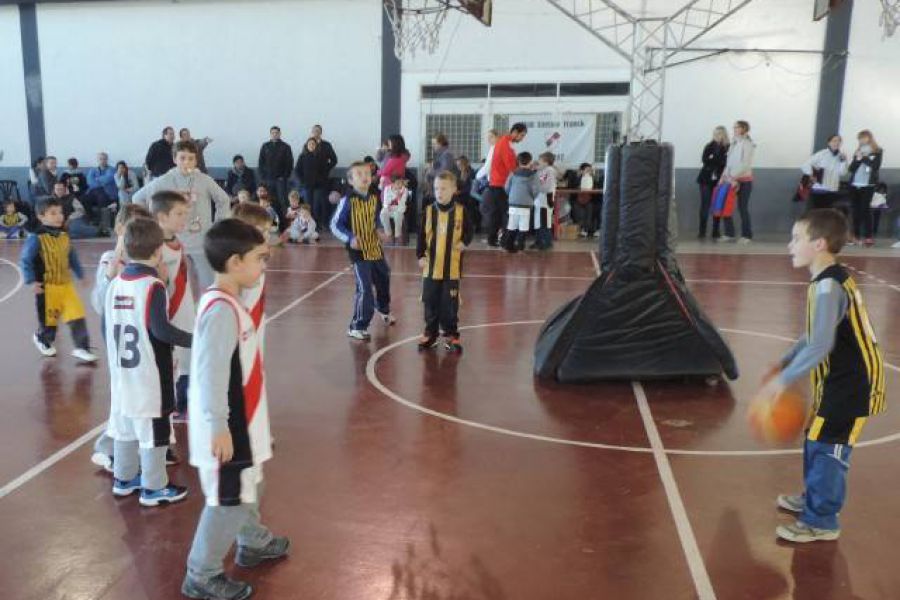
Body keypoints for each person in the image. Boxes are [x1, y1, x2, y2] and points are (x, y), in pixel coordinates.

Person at [760, 209, 885, 543]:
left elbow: (820, 345)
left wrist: (782, 382)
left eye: (796, 239)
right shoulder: (825, 280)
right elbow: (816, 332)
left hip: (853, 384)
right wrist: (787, 359)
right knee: (816, 438)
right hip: (837, 380)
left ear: (819, 244)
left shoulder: (829, 286)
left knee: (829, 448)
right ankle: (813, 500)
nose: (789, 245)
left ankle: (822, 520)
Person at [182, 219, 289, 600]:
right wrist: (218, 426)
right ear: (234, 262)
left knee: (251, 484)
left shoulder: (230, 302)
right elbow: (211, 373)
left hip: (244, 420)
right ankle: (202, 572)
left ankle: (253, 540)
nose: (264, 266)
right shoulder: (220, 312)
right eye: (259, 258)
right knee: (228, 500)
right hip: (229, 428)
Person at [103, 217, 192, 507]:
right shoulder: (153, 285)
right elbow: (161, 330)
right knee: (155, 430)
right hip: (150, 374)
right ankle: (154, 487)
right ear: (157, 252)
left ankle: (124, 478)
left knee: (125, 426)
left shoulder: (115, 283)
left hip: (121, 373)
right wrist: (197, 339)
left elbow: (106, 327)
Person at [88, 203, 153, 473]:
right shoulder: (109, 259)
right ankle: (106, 447)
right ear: (119, 229)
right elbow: (99, 301)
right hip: (119, 339)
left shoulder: (145, 260)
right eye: (131, 228)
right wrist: (112, 267)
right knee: (124, 394)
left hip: (140, 336)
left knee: (140, 392)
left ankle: (138, 444)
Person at [133, 140, 233, 290]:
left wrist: (217, 227)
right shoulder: (164, 180)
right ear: (174, 159)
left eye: (191, 158)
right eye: (182, 158)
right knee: (173, 287)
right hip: (172, 243)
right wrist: (153, 225)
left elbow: (223, 200)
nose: (187, 162)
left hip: (201, 241)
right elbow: (137, 198)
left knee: (210, 286)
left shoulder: (204, 180)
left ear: (196, 160)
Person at [20, 197, 97, 363]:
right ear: (41, 216)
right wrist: (31, 281)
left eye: (60, 212)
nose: (58, 216)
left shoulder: (64, 236)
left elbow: (72, 257)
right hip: (47, 288)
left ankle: (81, 347)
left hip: (66, 286)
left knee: (76, 315)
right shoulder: (36, 238)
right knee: (50, 324)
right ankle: (42, 338)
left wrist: (80, 275)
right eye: (53, 213)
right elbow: (25, 259)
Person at [330, 161, 394, 340]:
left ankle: (382, 308)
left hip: (374, 245)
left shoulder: (374, 197)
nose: (365, 176)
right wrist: (350, 238)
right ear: (350, 181)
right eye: (359, 174)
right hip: (358, 251)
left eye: (367, 173)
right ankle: (357, 325)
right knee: (364, 287)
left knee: (384, 277)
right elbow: (335, 225)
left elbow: (375, 219)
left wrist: (380, 230)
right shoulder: (347, 200)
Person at [149, 191, 195, 418]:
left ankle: (184, 401)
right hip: (170, 312)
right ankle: (172, 403)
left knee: (187, 358)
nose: (184, 218)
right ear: (161, 217)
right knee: (173, 359)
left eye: (185, 213)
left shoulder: (176, 241)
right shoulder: (154, 248)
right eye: (179, 214)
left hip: (185, 307)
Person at [416, 170, 473, 353]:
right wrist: (420, 256)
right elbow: (421, 237)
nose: (439, 192)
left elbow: (470, 231)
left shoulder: (461, 212)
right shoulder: (428, 211)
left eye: (444, 189)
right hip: (431, 268)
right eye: (436, 188)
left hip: (452, 269)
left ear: (454, 190)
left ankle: (451, 335)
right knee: (430, 302)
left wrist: (464, 242)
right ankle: (430, 333)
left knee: (450, 304)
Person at [484, 123, 527, 246]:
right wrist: (525, 170)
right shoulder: (506, 144)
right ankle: (506, 241)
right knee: (507, 214)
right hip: (501, 184)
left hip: (495, 183)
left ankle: (492, 240)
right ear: (514, 132)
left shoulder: (503, 142)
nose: (522, 138)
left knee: (496, 214)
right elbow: (512, 167)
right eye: (522, 135)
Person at [717, 120, 756, 243]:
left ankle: (747, 235)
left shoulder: (748, 144)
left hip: (744, 181)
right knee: (726, 205)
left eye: (737, 127)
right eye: (733, 127)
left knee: (742, 207)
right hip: (730, 180)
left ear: (744, 129)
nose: (734, 129)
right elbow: (728, 164)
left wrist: (732, 177)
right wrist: (723, 177)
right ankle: (729, 233)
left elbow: (745, 164)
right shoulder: (733, 143)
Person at [847, 130, 883, 247]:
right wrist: (857, 159)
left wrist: (864, 158)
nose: (862, 140)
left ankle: (868, 236)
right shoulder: (858, 151)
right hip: (855, 184)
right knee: (855, 210)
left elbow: (875, 166)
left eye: (864, 138)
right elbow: (851, 169)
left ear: (869, 138)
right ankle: (855, 236)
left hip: (868, 185)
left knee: (865, 210)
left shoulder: (877, 151)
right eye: (860, 139)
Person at [801, 135, 849, 211]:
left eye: (839, 141)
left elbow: (843, 173)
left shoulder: (841, 156)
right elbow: (805, 164)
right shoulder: (822, 154)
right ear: (829, 143)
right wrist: (810, 175)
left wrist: (843, 161)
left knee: (827, 213)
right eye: (834, 141)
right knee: (816, 212)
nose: (836, 143)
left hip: (832, 188)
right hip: (820, 188)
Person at [504, 152, 540, 253]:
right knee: (523, 226)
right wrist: (531, 198)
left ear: (518, 161)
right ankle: (520, 247)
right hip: (526, 204)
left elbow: (506, 187)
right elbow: (536, 189)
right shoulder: (533, 175)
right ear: (530, 161)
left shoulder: (513, 173)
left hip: (513, 203)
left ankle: (508, 246)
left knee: (511, 225)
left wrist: (511, 196)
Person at [697, 126, 729, 239]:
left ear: (724, 135)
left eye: (720, 134)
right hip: (705, 179)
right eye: (715, 133)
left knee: (717, 205)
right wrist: (717, 159)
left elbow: (726, 163)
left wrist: (714, 158)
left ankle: (716, 231)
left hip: (720, 180)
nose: (717, 136)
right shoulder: (709, 146)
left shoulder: (728, 147)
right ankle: (702, 231)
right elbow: (705, 160)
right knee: (705, 205)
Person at [257, 126, 294, 218]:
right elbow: (261, 162)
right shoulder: (265, 146)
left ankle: (284, 222)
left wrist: (284, 176)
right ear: (270, 134)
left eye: (276, 133)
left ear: (280, 134)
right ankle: (272, 222)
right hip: (268, 179)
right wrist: (263, 177)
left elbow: (290, 163)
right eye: (273, 133)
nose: (274, 134)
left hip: (280, 180)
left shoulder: (285, 147)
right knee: (269, 201)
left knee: (283, 201)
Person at [295, 138, 328, 228]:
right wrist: (302, 181)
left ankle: (315, 225)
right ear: (306, 145)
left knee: (316, 206)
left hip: (318, 186)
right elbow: (297, 170)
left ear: (316, 146)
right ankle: (307, 224)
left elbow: (325, 171)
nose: (311, 146)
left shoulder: (321, 157)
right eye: (310, 144)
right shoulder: (302, 156)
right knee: (308, 205)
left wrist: (321, 180)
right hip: (307, 185)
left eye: (313, 144)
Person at [531, 152, 557, 250]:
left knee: (544, 222)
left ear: (546, 162)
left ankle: (546, 242)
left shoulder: (549, 170)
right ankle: (538, 241)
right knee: (538, 221)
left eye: (540, 161)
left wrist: (536, 187)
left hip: (546, 199)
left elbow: (545, 187)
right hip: (540, 199)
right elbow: (541, 182)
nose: (538, 163)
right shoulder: (543, 170)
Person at [380, 176, 409, 244]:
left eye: (401, 183)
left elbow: (402, 204)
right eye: (398, 183)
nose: (400, 185)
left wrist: (398, 198)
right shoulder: (387, 189)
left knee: (398, 215)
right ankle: (389, 235)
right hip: (388, 208)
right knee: (383, 214)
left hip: (399, 209)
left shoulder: (405, 190)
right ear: (392, 184)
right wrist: (389, 204)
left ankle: (397, 236)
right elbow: (385, 202)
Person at [576, 163, 598, 238]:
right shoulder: (577, 178)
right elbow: (574, 187)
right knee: (580, 214)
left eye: (590, 170)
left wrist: (593, 176)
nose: (588, 171)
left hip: (590, 199)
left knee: (590, 212)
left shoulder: (593, 179)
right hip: (578, 199)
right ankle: (582, 230)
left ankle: (588, 230)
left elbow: (596, 188)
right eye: (587, 170)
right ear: (582, 171)